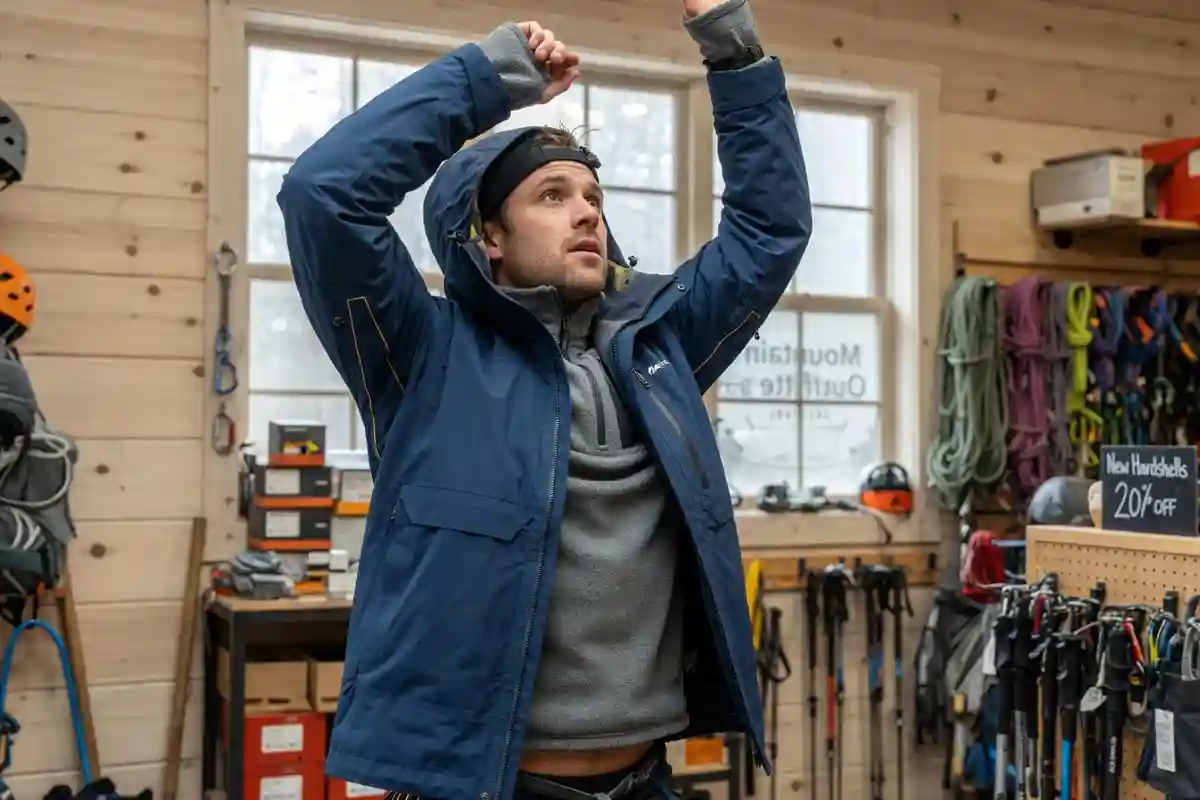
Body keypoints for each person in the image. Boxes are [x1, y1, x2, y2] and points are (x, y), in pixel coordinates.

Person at [277, 0, 811, 798]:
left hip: (644, 782)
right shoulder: (427, 356)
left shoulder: (659, 351)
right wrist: (490, 81)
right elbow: (324, 195)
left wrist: (732, 51)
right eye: (553, 195)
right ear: (488, 236)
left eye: (592, 196)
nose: (588, 210)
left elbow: (768, 232)